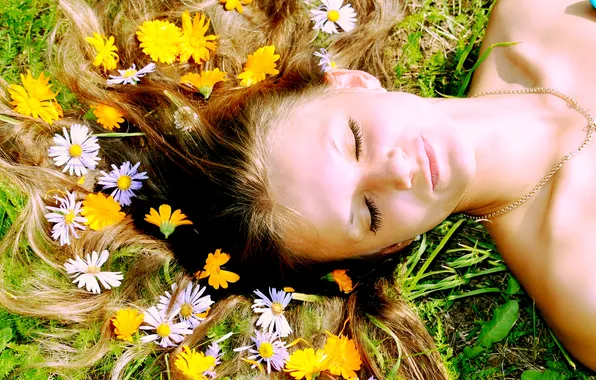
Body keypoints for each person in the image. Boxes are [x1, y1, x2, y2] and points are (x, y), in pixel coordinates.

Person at [0, 0, 594, 379]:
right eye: (368, 212)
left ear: (352, 83)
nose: (396, 172)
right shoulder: (582, 280)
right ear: (386, 249)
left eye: (355, 140)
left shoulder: (536, 11)